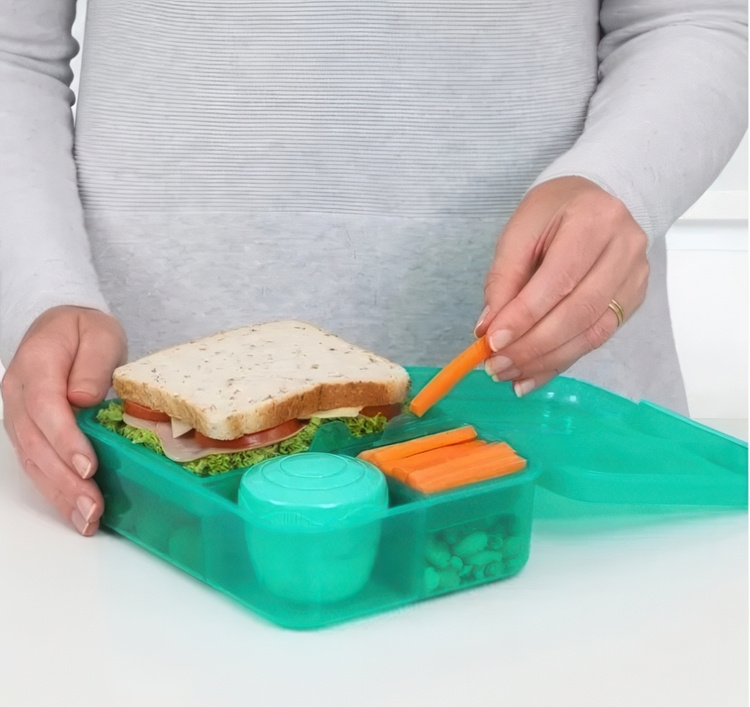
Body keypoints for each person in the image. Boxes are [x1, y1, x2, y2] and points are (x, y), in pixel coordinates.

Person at [0, 1, 746, 536]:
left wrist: (621, 183)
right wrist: (45, 290)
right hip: (144, 473)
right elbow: (14, 51)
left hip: (563, 458)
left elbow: (691, 16)